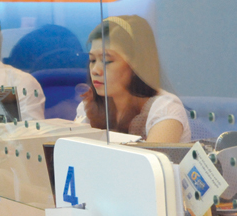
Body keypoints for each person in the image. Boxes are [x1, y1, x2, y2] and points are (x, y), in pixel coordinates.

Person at [76, 15, 191, 143]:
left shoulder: (165, 108)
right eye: (92, 60)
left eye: (107, 61)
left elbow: (151, 156)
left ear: (136, 64)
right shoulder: (88, 107)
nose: (95, 70)